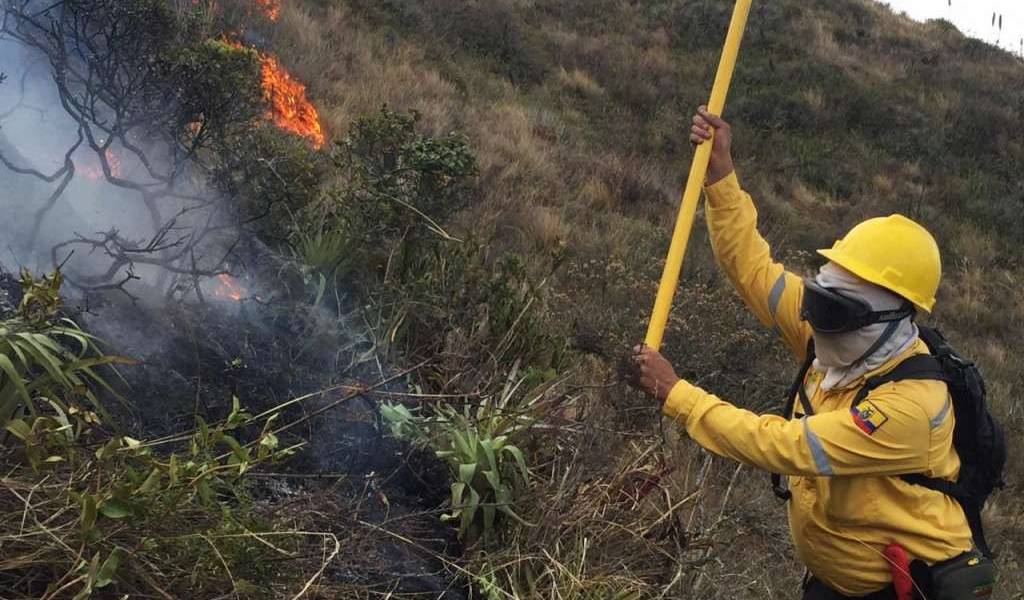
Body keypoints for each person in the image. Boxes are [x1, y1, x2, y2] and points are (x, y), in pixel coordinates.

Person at [629, 107, 997, 599]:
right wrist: (721, 175)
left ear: (894, 318)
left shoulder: (912, 407)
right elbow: (752, 268)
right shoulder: (835, 330)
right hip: (834, 582)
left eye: (833, 309)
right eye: (818, 299)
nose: (815, 319)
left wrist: (677, 393)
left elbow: (785, 446)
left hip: (904, 590)